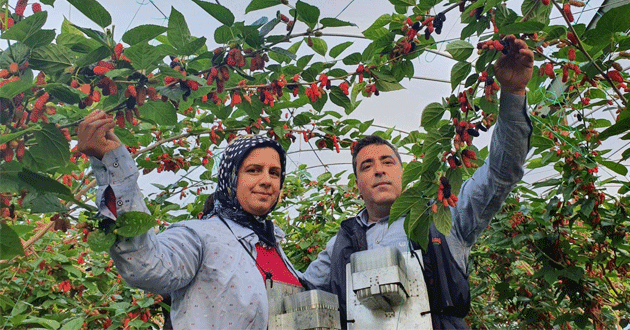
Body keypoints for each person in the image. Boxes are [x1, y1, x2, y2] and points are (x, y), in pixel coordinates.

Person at [302, 35, 535, 329]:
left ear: (403, 173)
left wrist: (513, 92)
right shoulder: (341, 243)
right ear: (357, 185)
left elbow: (500, 174)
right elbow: (302, 289)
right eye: (366, 166)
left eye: (388, 162)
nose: (378, 170)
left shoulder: (442, 216)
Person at [77, 117, 303, 329]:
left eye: (275, 173)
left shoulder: (270, 242)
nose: (266, 180)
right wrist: (114, 165)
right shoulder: (199, 236)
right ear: (230, 178)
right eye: (253, 170)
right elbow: (147, 266)